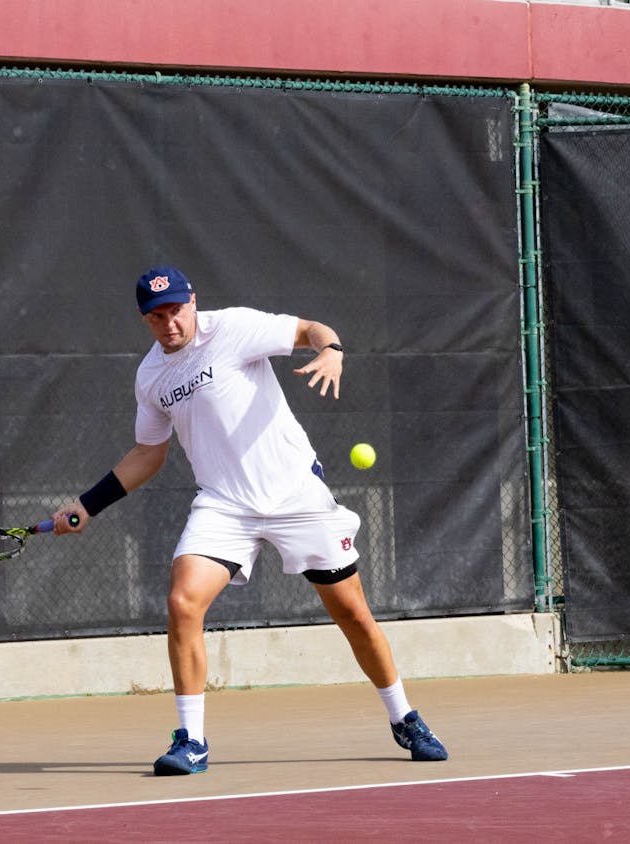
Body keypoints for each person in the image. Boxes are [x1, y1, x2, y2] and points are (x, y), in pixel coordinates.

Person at [50, 265, 448, 776]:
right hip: (224, 505)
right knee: (182, 601)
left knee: (352, 613)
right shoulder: (151, 376)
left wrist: (332, 351)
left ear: (191, 301)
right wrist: (87, 505)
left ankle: (404, 717)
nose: (169, 322)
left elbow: (309, 331)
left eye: (175, 310)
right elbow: (149, 455)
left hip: (294, 494)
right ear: (144, 319)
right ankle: (191, 741)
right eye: (157, 316)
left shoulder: (233, 328)